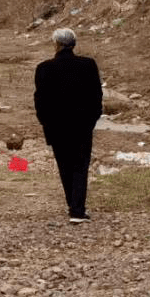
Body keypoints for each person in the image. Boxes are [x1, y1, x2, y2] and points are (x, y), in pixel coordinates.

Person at [34, 28, 103, 224]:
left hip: (56, 127)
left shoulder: (44, 68)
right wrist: (92, 120)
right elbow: (96, 96)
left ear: (56, 44)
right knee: (80, 166)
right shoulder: (88, 65)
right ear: (74, 44)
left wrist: (45, 123)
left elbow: (40, 100)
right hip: (82, 125)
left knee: (64, 166)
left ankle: (72, 206)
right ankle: (77, 210)